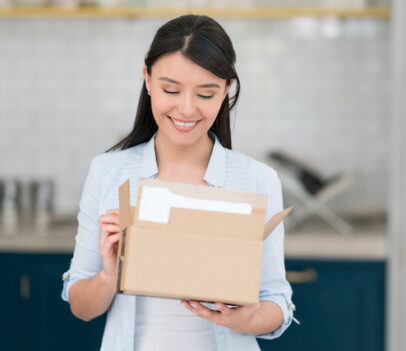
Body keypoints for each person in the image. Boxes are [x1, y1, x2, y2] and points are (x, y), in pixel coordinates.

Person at [60, 14, 297, 351]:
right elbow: (81, 307)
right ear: (148, 80)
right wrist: (109, 275)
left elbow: (276, 301)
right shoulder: (108, 172)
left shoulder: (258, 180)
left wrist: (246, 320)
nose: (186, 109)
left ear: (227, 90)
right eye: (171, 89)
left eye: (206, 93)